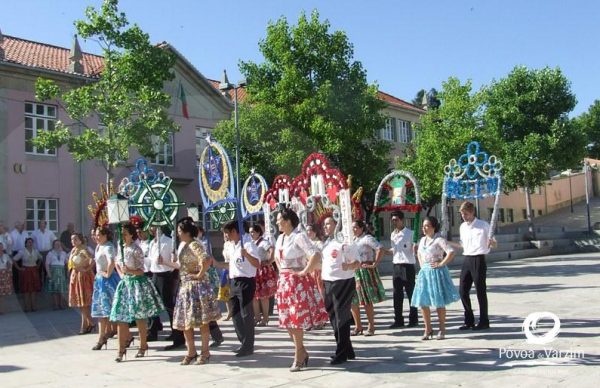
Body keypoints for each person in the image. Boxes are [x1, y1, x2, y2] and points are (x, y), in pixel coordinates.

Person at [274, 208, 329, 372]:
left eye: (279, 219)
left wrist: (304, 271)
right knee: (287, 321)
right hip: (284, 282)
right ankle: (302, 351)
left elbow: (315, 254)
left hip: (297, 283)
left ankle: (298, 355)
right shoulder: (280, 238)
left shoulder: (299, 236)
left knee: (296, 320)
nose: (277, 222)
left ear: (288, 221)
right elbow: (277, 259)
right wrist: (282, 272)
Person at [109, 223, 165, 362]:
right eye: (122, 234)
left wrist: (129, 271)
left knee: (140, 317)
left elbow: (141, 270)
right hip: (125, 285)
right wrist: (122, 273)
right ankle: (121, 350)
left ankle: (143, 345)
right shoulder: (121, 248)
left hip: (137, 284)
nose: (123, 236)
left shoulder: (136, 249)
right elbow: (117, 262)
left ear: (131, 235)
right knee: (121, 318)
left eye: (125, 234)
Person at [171, 218, 222, 365]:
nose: (178, 233)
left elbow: (206, 259)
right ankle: (191, 351)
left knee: (201, 321)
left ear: (187, 232)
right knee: (186, 321)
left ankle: (205, 352)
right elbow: (180, 266)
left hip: (196, 287)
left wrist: (199, 274)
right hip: (185, 286)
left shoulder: (194, 244)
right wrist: (165, 262)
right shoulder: (183, 245)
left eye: (180, 231)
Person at [411, 216, 459, 340]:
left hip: (436, 272)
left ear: (433, 227)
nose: (424, 228)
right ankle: (428, 329)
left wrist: (441, 263)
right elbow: (419, 253)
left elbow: (451, 251)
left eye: (427, 226)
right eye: (423, 226)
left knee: (439, 301)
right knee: (422, 302)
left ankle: (442, 329)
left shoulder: (439, 240)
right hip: (425, 273)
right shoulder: (422, 240)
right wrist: (422, 266)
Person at [321, 217, 360, 365]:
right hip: (328, 282)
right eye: (324, 224)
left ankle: (341, 353)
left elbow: (357, 262)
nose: (325, 226)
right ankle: (347, 349)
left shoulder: (346, 242)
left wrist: (349, 266)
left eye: (329, 223)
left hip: (343, 282)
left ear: (337, 225)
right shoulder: (327, 242)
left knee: (341, 318)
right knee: (333, 317)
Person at [222, 220, 259, 357]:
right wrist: (216, 263)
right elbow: (230, 265)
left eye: (228, 232)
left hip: (246, 282)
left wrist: (247, 255)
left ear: (235, 232)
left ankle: (248, 345)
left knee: (246, 314)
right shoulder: (231, 246)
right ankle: (243, 341)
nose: (227, 236)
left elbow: (257, 264)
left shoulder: (248, 244)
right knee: (235, 314)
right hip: (234, 281)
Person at [457, 201, 496, 331]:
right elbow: (463, 244)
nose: (464, 216)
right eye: (462, 214)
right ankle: (469, 320)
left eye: (466, 214)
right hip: (467, 258)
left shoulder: (483, 225)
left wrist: (491, 242)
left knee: (480, 290)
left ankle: (484, 321)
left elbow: (494, 244)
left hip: (479, 259)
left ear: (472, 212)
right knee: (462, 290)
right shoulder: (462, 227)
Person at [350, 220, 385, 336]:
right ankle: (358, 326)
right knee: (353, 300)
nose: (354, 230)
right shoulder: (352, 240)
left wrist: (375, 263)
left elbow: (380, 248)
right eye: (352, 228)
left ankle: (371, 326)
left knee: (366, 300)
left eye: (355, 227)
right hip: (354, 271)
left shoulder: (367, 238)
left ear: (361, 228)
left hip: (364, 270)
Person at [147, 226, 180, 344]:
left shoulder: (168, 241)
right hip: (154, 274)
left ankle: (177, 332)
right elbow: (150, 260)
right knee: (152, 304)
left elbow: (175, 260)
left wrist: (169, 261)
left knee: (168, 304)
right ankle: (152, 330)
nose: (152, 229)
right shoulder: (152, 242)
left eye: (154, 226)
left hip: (165, 275)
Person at [386, 211, 418, 329]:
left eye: (396, 220)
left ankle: (413, 319)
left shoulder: (410, 233)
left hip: (408, 266)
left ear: (402, 220)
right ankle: (398, 319)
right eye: (393, 220)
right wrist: (384, 251)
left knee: (411, 293)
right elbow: (394, 250)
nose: (395, 222)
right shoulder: (393, 234)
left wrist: (415, 249)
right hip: (397, 266)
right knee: (397, 295)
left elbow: (415, 247)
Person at [91, 227, 121, 350]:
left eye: (99, 235)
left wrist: (107, 273)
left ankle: (126, 336)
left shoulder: (108, 247)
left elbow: (111, 261)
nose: (96, 237)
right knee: (101, 311)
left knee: (112, 311)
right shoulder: (99, 246)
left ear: (105, 236)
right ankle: (101, 337)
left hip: (107, 282)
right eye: (96, 235)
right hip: (100, 281)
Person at [196, 225, 224, 349]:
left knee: (206, 309)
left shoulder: (203, 243)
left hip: (205, 278)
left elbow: (206, 260)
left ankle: (216, 335)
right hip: (196, 280)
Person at [249, 223, 276, 327]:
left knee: (264, 296)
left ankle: (265, 318)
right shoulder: (251, 242)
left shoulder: (263, 242)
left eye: (253, 232)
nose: (251, 234)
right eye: (250, 232)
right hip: (253, 270)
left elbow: (272, 249)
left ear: (258, 232)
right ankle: (257, 317)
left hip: (262, 271)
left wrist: (269, 261)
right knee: (254, 296)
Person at [68, 233, 95, 334]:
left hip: (83, 276)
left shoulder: (84, 249)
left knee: (84, 303)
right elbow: (71, 264)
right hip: (75, 275)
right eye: (72, 239)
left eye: (75, 239)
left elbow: (92, 259)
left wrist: (87, 269)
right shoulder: (74, 250)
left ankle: (86, 325)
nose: (73, 241)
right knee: (81, 304)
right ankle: (88, 324)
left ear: (80, 240)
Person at [12, 237, 42, 312]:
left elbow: (41, 258)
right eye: (28, 242)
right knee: (26, 290)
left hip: (34, 271)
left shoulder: (36, 251)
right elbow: (14, 260)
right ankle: (27, 307)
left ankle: (34, 307)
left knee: (34, 290)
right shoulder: (22, 251)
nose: (30, 243)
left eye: (31, 242)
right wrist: (19, 268)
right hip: (26, 271)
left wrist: (37, 266)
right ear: (26, 243)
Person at [45, 239, 68, 310]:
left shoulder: (64, 253)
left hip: (61, 272)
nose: (57, 245)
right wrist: (49, 273)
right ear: (53, 245)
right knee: (54, 289)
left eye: (59, 244)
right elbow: (47, 264)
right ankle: (55, 305)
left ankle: (61, 304)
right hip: (54, 271)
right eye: (56, 244)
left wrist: (68, 272)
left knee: (61, 289)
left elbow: (67, 263)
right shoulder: (50, 253)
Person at [9, 222, 28, 293]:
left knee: (24, 269)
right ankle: (16, 288)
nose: (23, 226)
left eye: (23, 225)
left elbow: (27, 242)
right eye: (21, 225)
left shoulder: (25, 233)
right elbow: (10, 245)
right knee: (16, 271)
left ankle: (23, 286)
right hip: (15, 252)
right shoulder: (12, 233)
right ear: (16, 226)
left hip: (24, 252)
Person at [0, 242, 13, 314]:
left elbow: (10, 263)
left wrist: (8, 267)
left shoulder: (6, 256)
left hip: (4, 275)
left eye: (1, 247)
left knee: (2, 294)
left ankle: (2, 310)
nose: (0, 248)